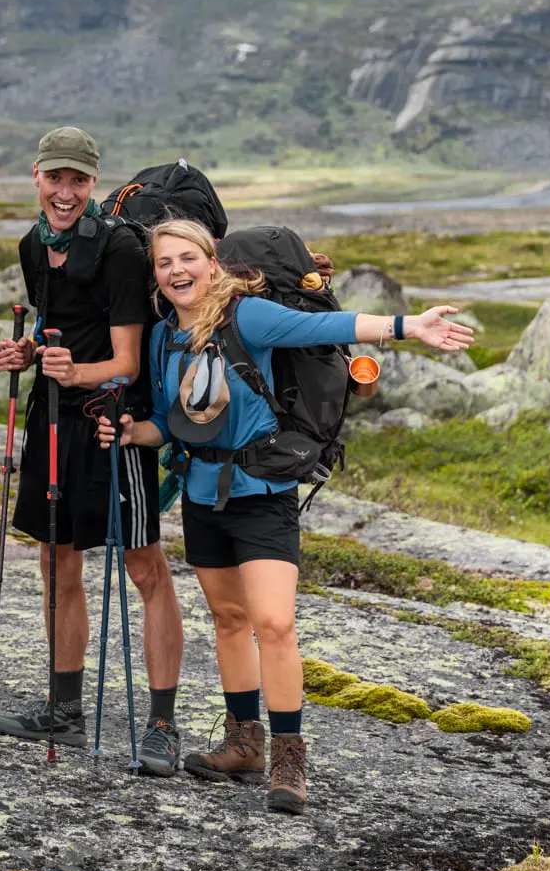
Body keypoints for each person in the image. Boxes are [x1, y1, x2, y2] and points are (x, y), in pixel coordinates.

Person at [98, 218, 473, 813]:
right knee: (226, 619)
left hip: (262, 493)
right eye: (165, 263)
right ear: (157, 274)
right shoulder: (164, 335)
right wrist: (131, 432)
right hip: (201, 494)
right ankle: (243, 744)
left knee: (272, 623)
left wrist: (409, 326)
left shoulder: (247, 316)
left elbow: (327, 324)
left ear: (210, 260)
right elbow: (176, 421)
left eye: (187, 258)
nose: (177, 271)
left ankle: (289, 757)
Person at [0, 127, 187, 774]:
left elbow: (127, 362)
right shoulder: (30, 244)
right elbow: (56, 333)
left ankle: (162, 723)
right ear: (37, 177)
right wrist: (27, 356)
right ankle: (65, 707)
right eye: (55, 178)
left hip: (111, 420)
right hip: (51, 419)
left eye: (77, 180)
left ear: (93, 183)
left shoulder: (122, 250)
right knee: (56, 562)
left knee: (143, 567)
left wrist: (75, 374)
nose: (65, 192)